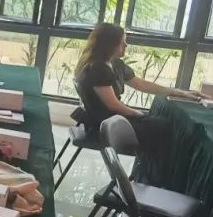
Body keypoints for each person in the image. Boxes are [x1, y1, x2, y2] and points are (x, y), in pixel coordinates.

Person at [75, 23, 197, 165]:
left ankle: (153, 170)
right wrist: (139, 115)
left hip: (114, 118)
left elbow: (142, 84)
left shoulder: (115, 64)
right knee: (166, 129)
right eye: (123, 42)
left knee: (163, 125)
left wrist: (177, 92)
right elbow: (113, 105)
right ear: (111, 44)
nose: (126, 45)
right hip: (105, 124)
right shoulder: (97, 68)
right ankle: (157, 172)